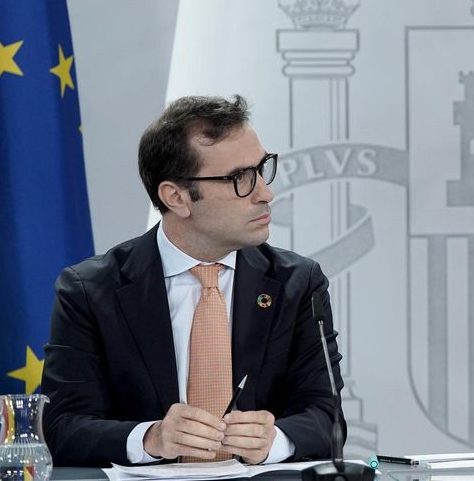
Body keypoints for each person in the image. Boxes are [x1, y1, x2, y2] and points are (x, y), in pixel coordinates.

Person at [41, 95, 344, 466]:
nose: (266, 193)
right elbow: (60, 427)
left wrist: (275, 440)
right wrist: (150, 438)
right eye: (241, 179)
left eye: (262, 169)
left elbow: (327, 416)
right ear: (177, 197)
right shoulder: (90, 291)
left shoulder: (298, 284)